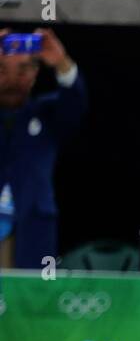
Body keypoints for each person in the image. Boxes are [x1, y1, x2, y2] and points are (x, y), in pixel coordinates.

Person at [0, 27, 87, 270]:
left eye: (22, 69)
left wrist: (61, 62)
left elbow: (76, 102)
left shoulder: (48, 114)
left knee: (33, 298)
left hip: (32, 224)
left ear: (35, 72)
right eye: (2, 70)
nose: (12, 80)